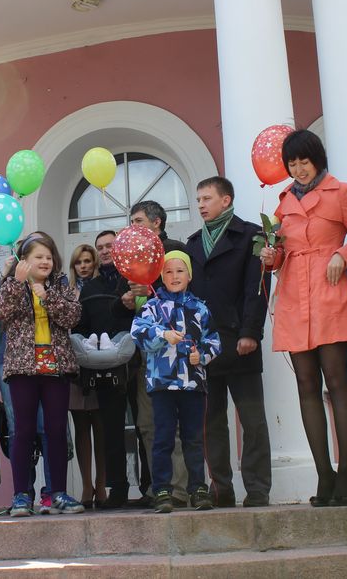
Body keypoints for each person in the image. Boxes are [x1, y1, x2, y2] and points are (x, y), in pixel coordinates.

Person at [259, 130, 347, 507]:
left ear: (317, 159)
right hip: (293, 295)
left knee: (336, 381)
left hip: (329, 291)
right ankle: (324, 474)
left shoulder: (341, 192)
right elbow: (280, 254)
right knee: (305, 383)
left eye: (304, 161)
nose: (298, 169)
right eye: (292, 164)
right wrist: (270, 257)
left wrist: (342, 254)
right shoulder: (284, 202)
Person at [184, 176, 272, 508]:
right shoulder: (193, 244)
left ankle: (258, 489)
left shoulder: (251, 236)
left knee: (252, 420)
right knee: (211, 422)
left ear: (226, 200)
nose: (201, 205)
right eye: (198, 200)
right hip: (205, 348)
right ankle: (221, 487)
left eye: (207, 198)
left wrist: (250, 332)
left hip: (239, 341)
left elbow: (256, 288)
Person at [0, 232, 85, 517]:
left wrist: (49, 297)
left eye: (48, 257)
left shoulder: (60, 284)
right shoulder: (12, 283)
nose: (45, 261)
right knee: (23, 430)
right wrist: (15, 282)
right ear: (24, 260)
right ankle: (21, 495)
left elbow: (73, 316)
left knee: (56, 430)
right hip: (22, 366)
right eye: (38, 257)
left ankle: (57, 493)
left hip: (56, 366)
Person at [131, 251, 221, 513]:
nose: (174, 276)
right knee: (163, 438)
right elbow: (138, 333)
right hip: (162, 385)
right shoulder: (152, 306)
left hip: (193, 385)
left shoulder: (200, 307)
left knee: (194, 438)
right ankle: (162, 489)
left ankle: (198, 489)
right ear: (161, 276)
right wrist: (163, 334)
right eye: (168, 272)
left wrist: (201, 355)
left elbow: (214, 341)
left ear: (189, 275)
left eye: (180, 270)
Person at [125, 200, 189, 506]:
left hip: (174, 354)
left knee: (172, 425)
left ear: (157, 223)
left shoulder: (174, 251)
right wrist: (126, 300)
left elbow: (185, 295)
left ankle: (180, 490)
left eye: (138, 221)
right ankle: (159, 487)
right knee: (148, 425)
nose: (133, 227)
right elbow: (127, 305)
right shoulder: (131, 256)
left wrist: (151, 289)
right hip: (144, 355)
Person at [72, 230, 136, 509]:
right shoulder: (91, 288)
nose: (105, 250)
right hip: (107, 369)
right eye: (101, 247)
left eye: (110, 245)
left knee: (144, 428)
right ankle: (117, 489)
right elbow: (82, 327)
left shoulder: (133, 279)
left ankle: (150, 487)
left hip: (137, 365)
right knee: (112, 431)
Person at [68, 244, 106, 507]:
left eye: (87, 261)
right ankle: (85, 485)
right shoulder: (66, 291)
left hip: (100, 361)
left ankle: (101, 484)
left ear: (94, 263)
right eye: (78, 262)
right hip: (74, 364)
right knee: (81, 427)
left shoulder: (101, 287)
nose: (83, 266)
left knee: (101, 427)